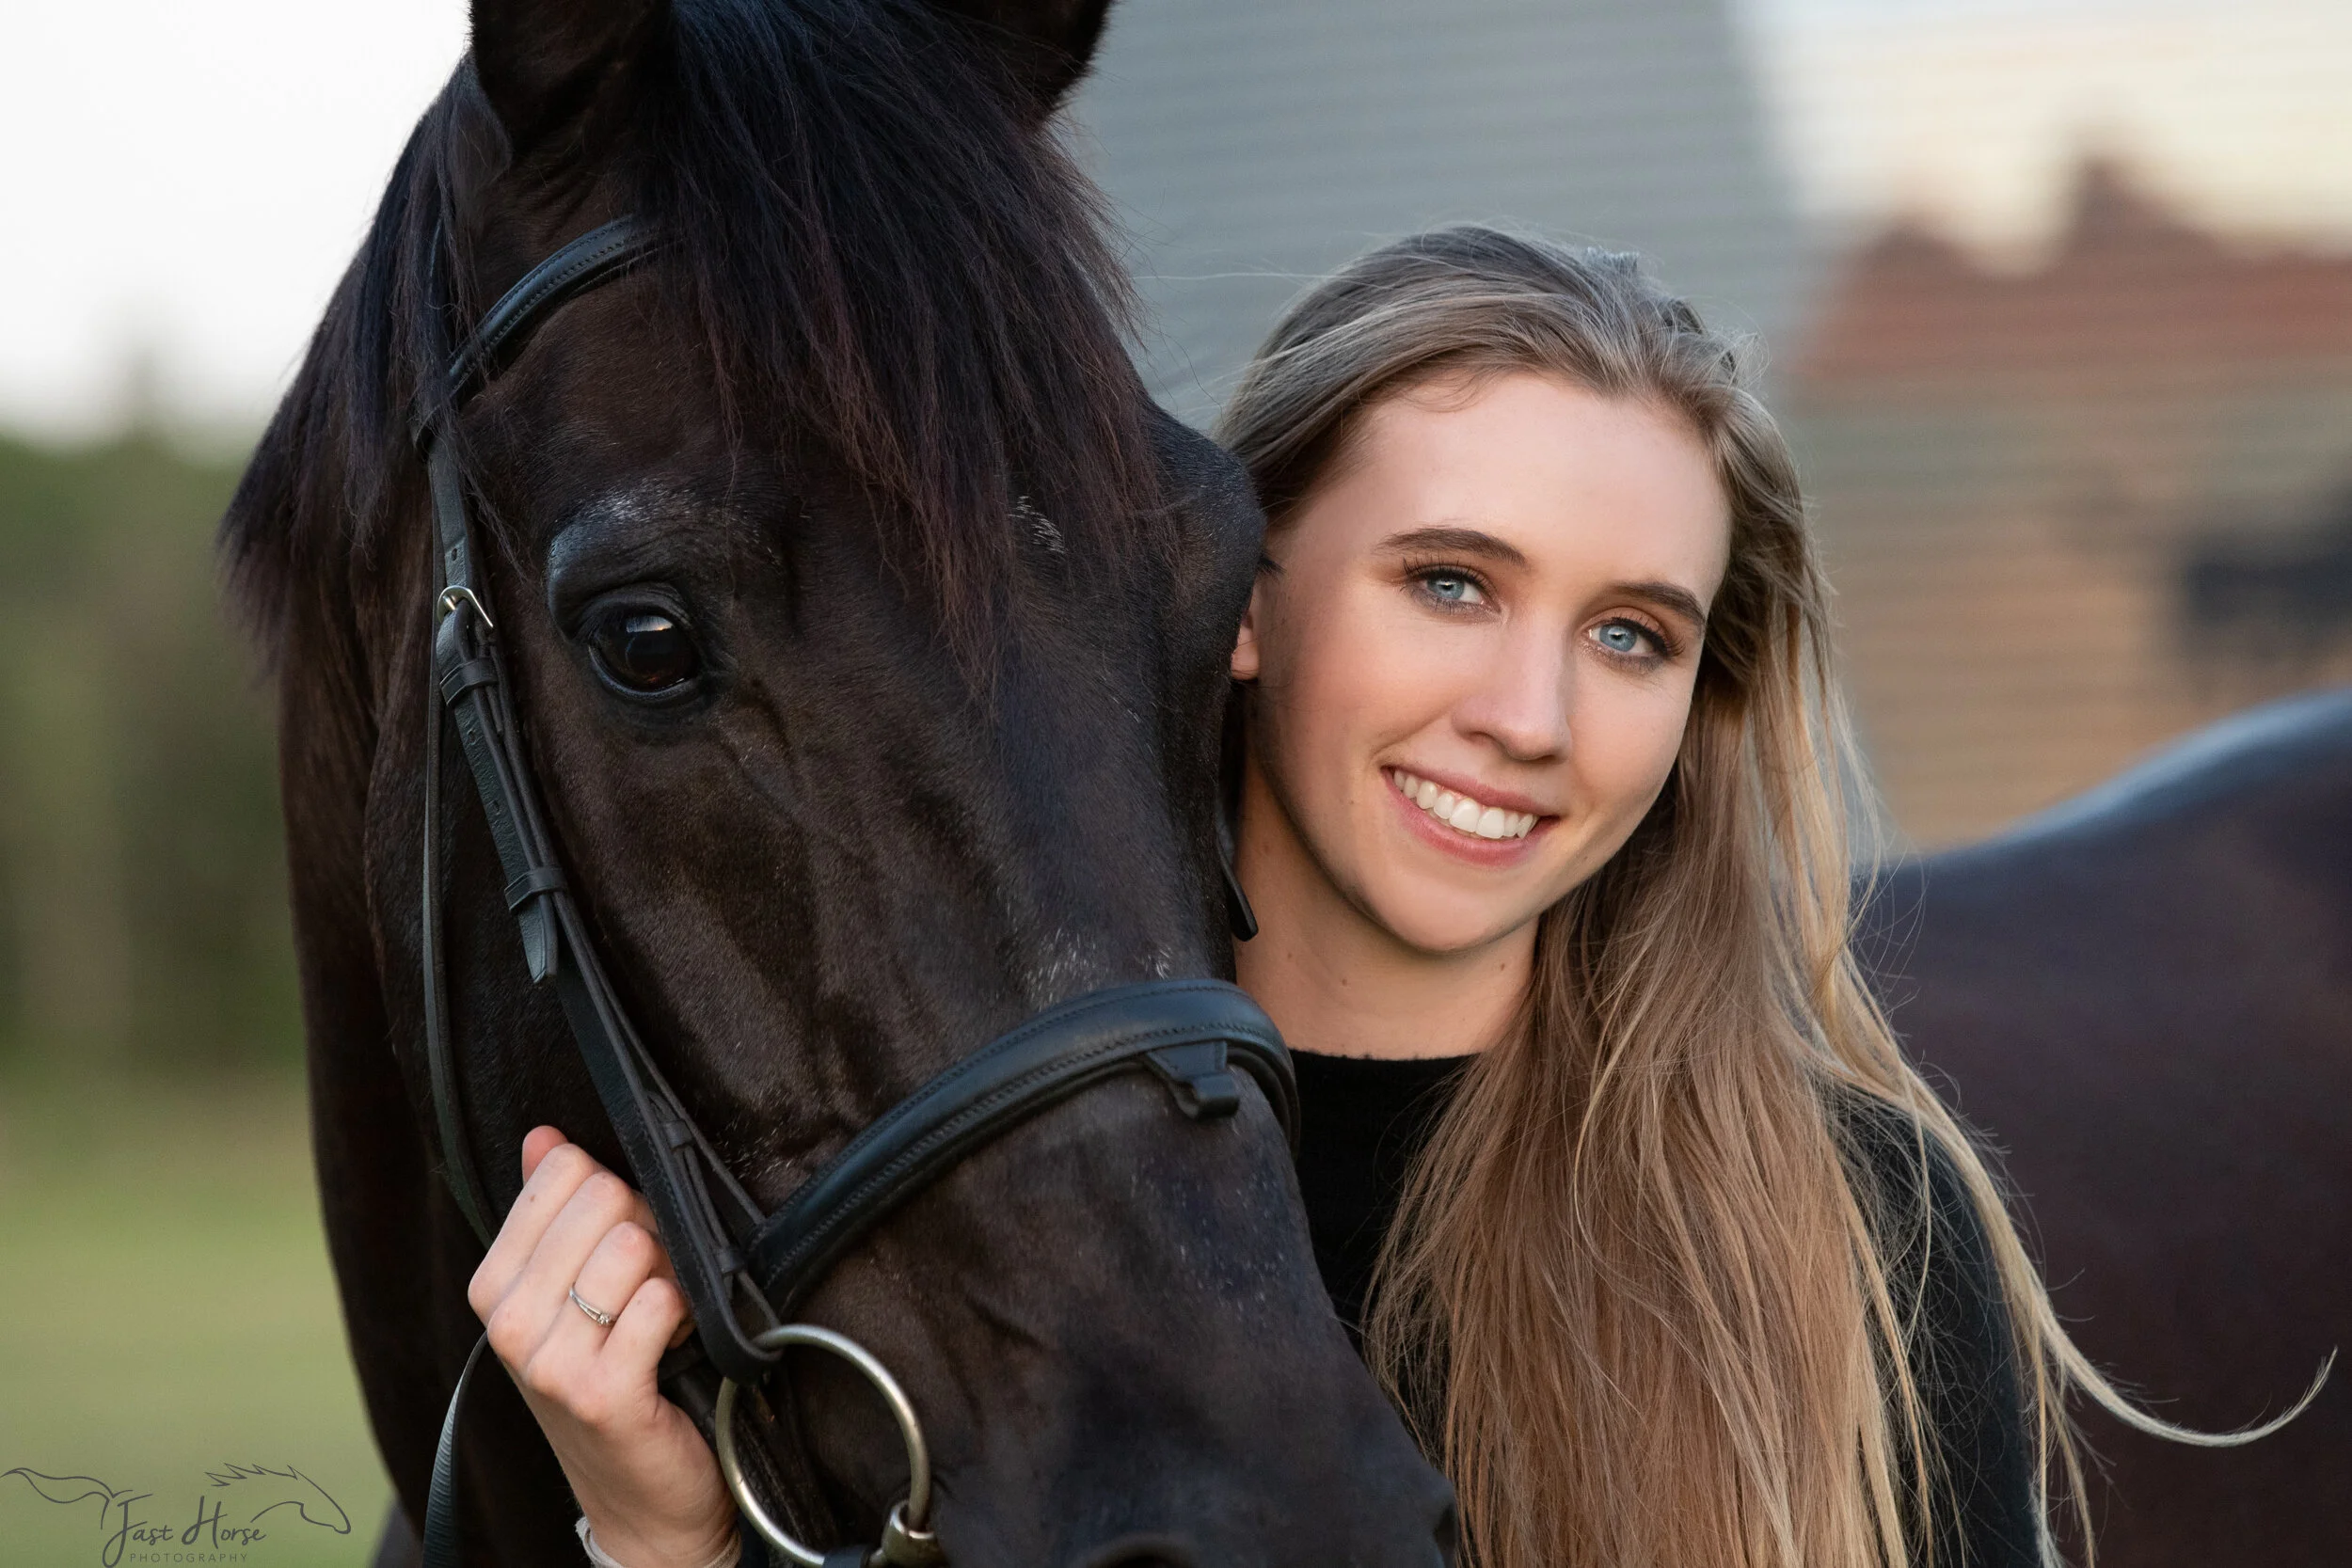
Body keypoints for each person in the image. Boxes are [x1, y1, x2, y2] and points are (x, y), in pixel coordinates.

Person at [468, 228, 2203, 1568]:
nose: (1530, 719)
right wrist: (662, 1538)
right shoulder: (971, 1208)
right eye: (1450, 583)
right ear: (1235, 594)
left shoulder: (1851, 1233)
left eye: (1628, 635)